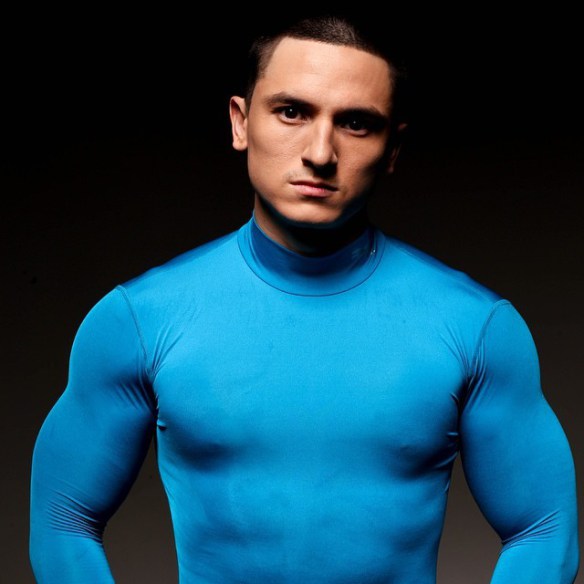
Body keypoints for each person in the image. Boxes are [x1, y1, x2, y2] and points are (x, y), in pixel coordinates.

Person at [29, 13, 579, 584]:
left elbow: (543, 528)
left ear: (393, 148)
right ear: (241, 122)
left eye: (357, 123)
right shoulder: (139, 320)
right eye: (292, 112)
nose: (320, 152)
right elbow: (63, 519)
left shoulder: (475, 327)